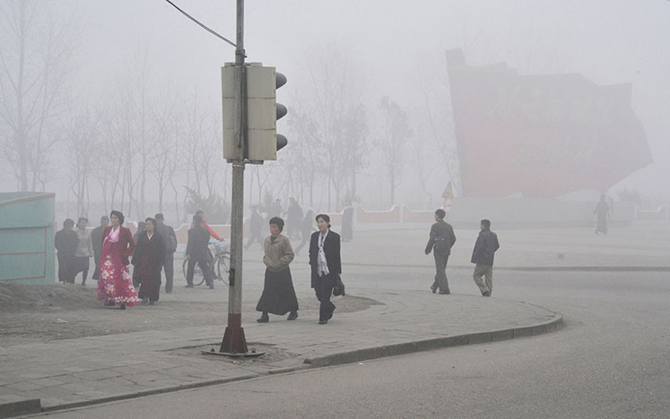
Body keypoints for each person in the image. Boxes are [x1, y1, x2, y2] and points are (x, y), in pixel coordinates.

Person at [256, 217, 299, 323]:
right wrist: (266, 261)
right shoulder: (267, 240)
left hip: (282, 271)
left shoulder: (284, 240)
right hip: (270, 270)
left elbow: (290, 254)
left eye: (274, 227)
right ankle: (264, 313)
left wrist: (280, 263)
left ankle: (293, 310)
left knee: (287, 291)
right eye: (271, 226)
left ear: (279, 228)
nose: (272, 229)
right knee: (267, 292)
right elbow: (266, 254)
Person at [97, 210, 140, 309]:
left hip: (119, 259)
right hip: (107, 259)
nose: (113, 220)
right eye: (112, 218)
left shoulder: (125, 231)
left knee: (121, 279)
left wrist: (126, 254)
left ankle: (122, 300)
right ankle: (110, 299)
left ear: (120, 220)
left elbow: (133, 244)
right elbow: (103, 242)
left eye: (115, 218)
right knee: (107, 279)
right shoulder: (107, 230)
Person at [309, 214, 341, 324]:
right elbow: (311, 251)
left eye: (322, 222)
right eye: (318, 222)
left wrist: (338, 272)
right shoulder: (314, 236)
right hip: (317, 270)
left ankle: (323, 317)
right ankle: (330, 307)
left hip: (329, 271)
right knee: (318, 293)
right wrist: (312, 262)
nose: (319, 224)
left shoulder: (334, 237)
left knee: (325, 293)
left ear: (327, 223)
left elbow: (337, 255)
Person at [132, 218, 166, 305]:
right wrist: (135, 260)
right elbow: (138, 248)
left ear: (154, 225)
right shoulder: (142, 235)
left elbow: (162, 250)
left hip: (155, 262)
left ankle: (152, 298)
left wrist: (161, 262)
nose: (148, 226)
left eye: (149, 224)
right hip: (144, 261)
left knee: (154, 280)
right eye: (146, 224)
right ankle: (144, 296)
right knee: (144, 279)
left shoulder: (159, 237)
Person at [425, 208, 457, 295]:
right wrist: (448, 246)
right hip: (446, 250)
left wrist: (428, 249)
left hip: (438, 250)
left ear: (437, 216)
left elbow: (432, 239)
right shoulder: (449, 226)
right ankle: (435, 286)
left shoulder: (435, 226)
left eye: (435, 215)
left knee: (440, 270)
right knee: (442, 269)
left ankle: (444, 289)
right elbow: (453, 239)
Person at [471, 219, 500, 297]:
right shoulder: (494, 235)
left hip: (482, 260)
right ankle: (489, 291)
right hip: (490, 259)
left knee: (476, 275)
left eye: (481, 225)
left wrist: (475, 258)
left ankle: (485, 290)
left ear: (483, 226)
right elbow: (497, 246)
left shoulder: (482, 235)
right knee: (488, 277)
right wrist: (491, 252)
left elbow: (479, 248)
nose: (480, 226)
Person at [185, 214, 214, 289]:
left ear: (194, 221)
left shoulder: (191, 231)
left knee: (190, 268)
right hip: (203, 251)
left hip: (194, 252)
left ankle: (190, 283)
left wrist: (188, 253)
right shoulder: (206, 231)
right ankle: (210, 282)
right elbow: (207, 241)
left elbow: (190, 242)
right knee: (205, 268)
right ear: (201, 221)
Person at [155, 213, 178, 293]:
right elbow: (175, 240)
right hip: (168, 252)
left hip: (157, 253)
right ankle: (169, 288)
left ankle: (156, 286)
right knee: (169, 271)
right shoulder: (169, 228)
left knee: (157, 271)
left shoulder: (154, 229)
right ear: (163, 219)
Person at [54, 219, 78, 284]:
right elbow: (56, 244)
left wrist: (72, 250)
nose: (69, 227)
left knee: (71, 267)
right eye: (67, 225)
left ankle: (71, 281)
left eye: (70, 225)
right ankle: (64, 281)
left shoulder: (74, 234)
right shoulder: (59, 234)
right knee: (63, 267)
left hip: (71, 254)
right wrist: (62, 250)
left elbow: (76, 243)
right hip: (62, 254)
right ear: (64, 225)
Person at [73, 217, 93, 286]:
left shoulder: (88, 232)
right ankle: (71, 278)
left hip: (86, 253)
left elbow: (89, 242)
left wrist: (91, 252)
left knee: (86, 268)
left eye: (85, 223)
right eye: (82, 222)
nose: (83, 224)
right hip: (77, 253)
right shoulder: (75, 232)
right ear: (78, 223)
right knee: (77, 268)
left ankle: (83, 282)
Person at [91, 216, 109, 283]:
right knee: (99, 266)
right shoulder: (95, 231)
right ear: (101, 222)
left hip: (108, 252)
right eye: (104, 221)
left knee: (107, 268)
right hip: (98, 252)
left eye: (106, 221)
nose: (105, 223)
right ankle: (99, 280)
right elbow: (93, 242)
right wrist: (96, 250)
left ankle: (105, 282)